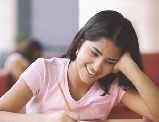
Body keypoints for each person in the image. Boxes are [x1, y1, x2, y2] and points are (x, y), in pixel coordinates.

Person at [0, 10, 159, 122]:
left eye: (110, 62)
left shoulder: (113, 85)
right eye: (94, 53)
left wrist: (130, 66)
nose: (97, 67)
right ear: (79, 45)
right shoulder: (44, 70)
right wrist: (45, 119)